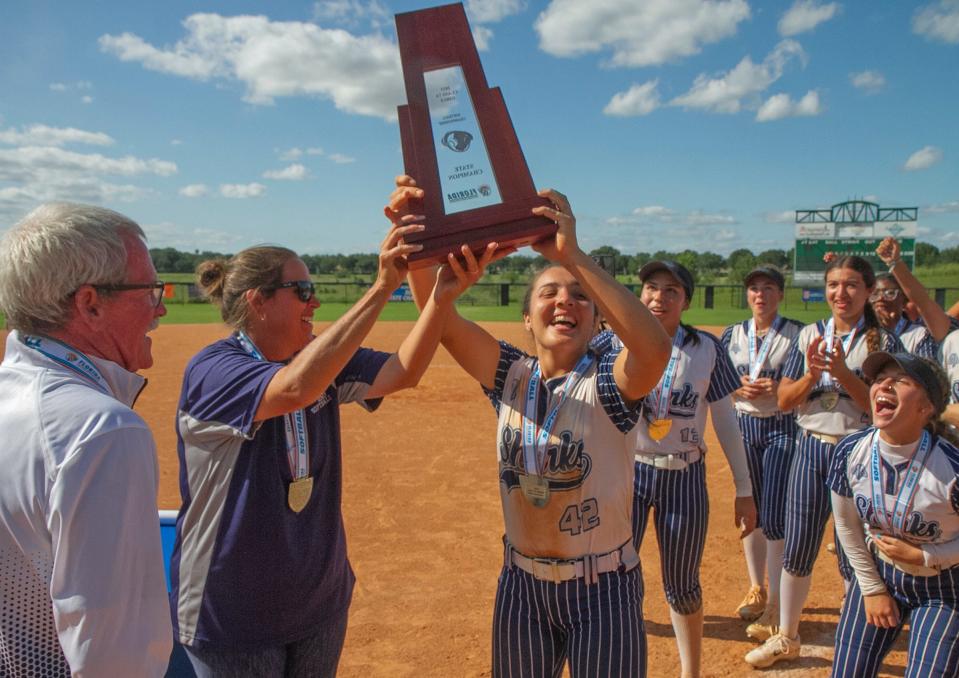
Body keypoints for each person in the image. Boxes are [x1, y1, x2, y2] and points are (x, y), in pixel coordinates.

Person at [169, 223, 489, 677]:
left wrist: (441, 298)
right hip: (234, 611)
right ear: (256, 301)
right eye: (301, 290)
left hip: (318, 600)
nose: (314, 301)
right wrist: (382, 286)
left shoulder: (317, 357)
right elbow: (296, 387)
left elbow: (403, 371)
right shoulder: (214, 370)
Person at [391, 177, 672, 677]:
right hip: (521, 586)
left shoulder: (609, 383)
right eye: (550, 292)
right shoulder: (511, 376)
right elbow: (442, 318)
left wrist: (573, 257)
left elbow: (654, 349)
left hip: (602, 589)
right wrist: (422, 226)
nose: (565, 301)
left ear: (597, 321)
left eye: (580, 297)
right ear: (527, 317)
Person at [0, 203, 172, 676]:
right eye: (150, 290)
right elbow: (115, 656)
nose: (161, 307)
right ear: (90, 302)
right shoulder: (103, 430)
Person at [746, 254, 904, 668]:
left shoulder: (882, 341)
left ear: (868, 291)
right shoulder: (811, 335)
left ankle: (859, 635)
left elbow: (885, 403)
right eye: (834, 284)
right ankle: (787, 635)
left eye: (852, 285)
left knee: (860, 550)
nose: (841, 293)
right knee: (799, 544)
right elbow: (783, 399)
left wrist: (841, 371)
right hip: (811, 446)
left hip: (860, 450)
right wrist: (814, 376)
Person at [628, 260, 757, 678]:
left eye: (671, 290)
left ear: (685, 300)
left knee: (681, 583)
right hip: (627, 474)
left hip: (683, 476)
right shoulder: (616, 342)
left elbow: (724, 419)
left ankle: (691, 672)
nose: (658, 297)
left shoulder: (706, 348)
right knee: (613, 577)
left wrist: (744, 488)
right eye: (651, 287)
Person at [829, 352, 959, 677]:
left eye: (901, 380)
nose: (885, 384)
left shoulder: (951, 469)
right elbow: (846, 526)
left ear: (926, 407)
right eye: (880, 377)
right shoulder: (850, 451)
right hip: (880, 572)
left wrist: (927, 555)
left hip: (944, 588)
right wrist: (872, 589)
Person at [720, 266, 804, 641]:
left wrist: (780, 386)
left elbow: (803, 383)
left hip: (782, 425)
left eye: (768, 288)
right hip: (743, 428)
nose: (760, 295)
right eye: (754, 288)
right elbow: (718, 382)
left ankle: (774, 608)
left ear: (780, 294)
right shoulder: (730, 335)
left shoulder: (798, 334)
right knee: (749, 506)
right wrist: (736, 388)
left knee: (773, 514)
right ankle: (758, 587)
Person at [871, 237, 956, 357]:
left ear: (904, 298)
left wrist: (895, 263)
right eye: (874, 294)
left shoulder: (920, 334)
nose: (880, 298)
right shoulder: (862, 334)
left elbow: (924, 303)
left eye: (889, 293)